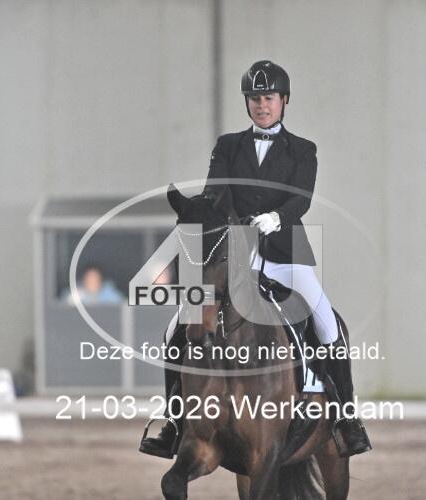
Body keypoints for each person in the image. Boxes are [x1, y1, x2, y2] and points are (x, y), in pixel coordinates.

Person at [140, 60, 371, 458]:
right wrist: (225, 221)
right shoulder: (228, 146)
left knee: (326, 322)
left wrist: (275, 218)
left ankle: (346, 419)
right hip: (234, 255)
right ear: (247, 103)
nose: (261, 105)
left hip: (286, 254)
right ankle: (174, 421)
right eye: (254, 99)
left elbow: (301, 199)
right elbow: (215, 193)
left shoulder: (303, 150)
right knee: (176, 328)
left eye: (268, 98)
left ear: (284, 101)